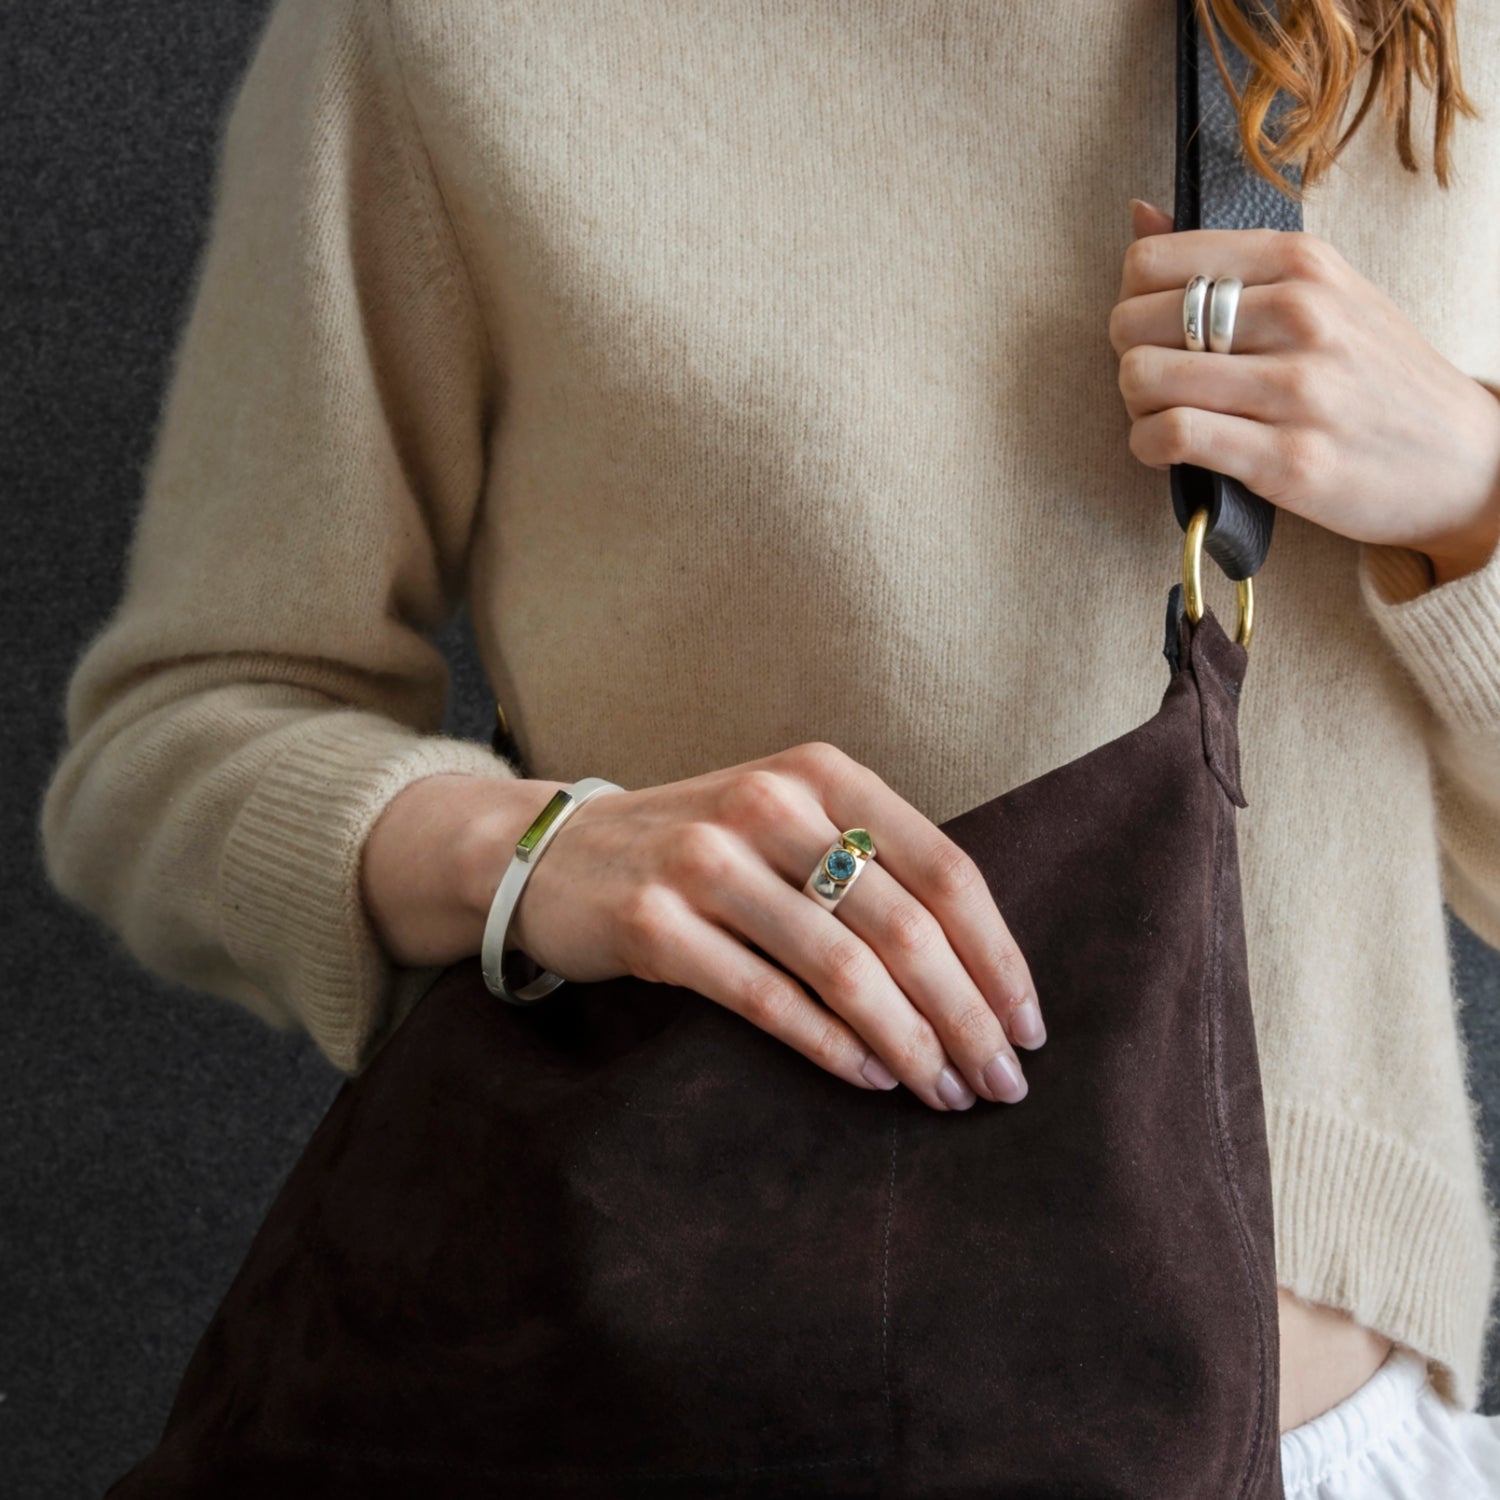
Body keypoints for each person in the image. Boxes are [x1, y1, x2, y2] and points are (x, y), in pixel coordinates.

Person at [35, 0, 1500, 1492]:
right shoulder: (446, 36)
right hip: (683, 1412)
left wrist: (1475, 483)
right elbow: (167, 747)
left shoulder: (1433, 38)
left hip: (1340, 1447)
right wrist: (527, 852)